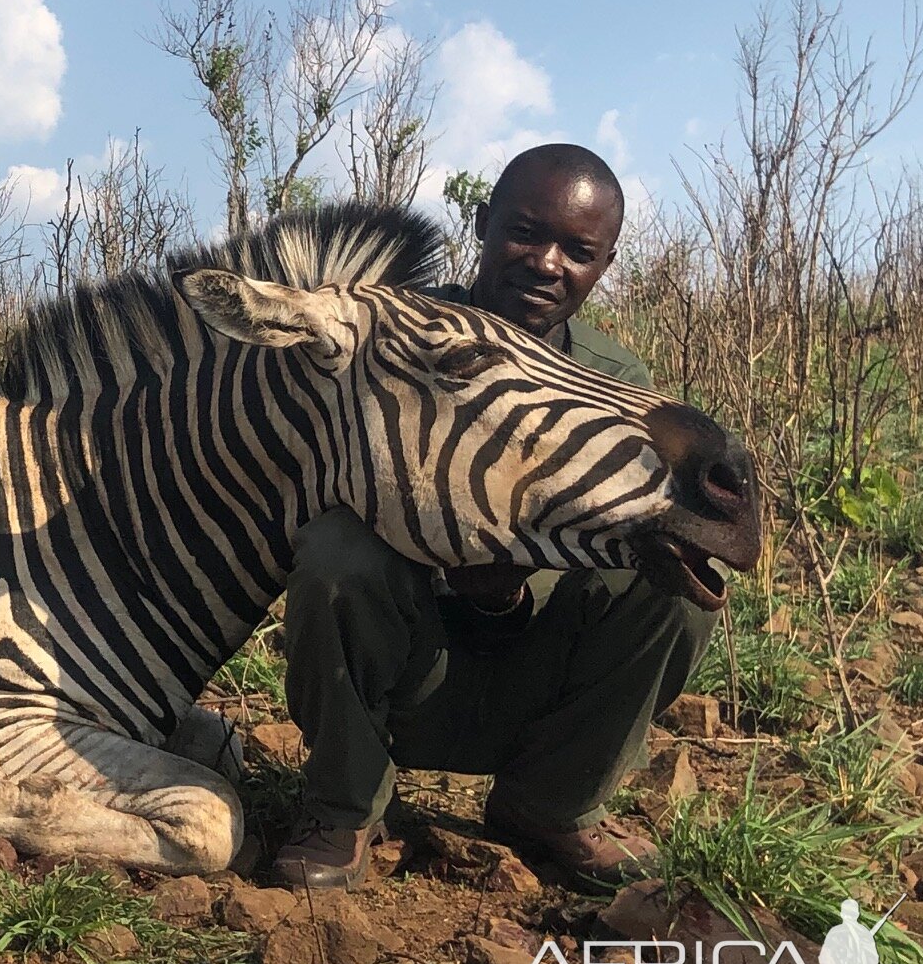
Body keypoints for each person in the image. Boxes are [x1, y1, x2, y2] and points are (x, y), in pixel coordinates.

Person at [272, 143, 715, 891]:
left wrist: (513, 586)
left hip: (534, 671)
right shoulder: (398, 337)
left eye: (578, 250)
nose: (545, 264)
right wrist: (449, 566)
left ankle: (552, 807)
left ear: (604, 265)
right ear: (481, 224)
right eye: (524, 232)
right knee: (335, 553)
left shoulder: (613, 380)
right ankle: (342, 806)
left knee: (673, 580)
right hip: (408, 649)